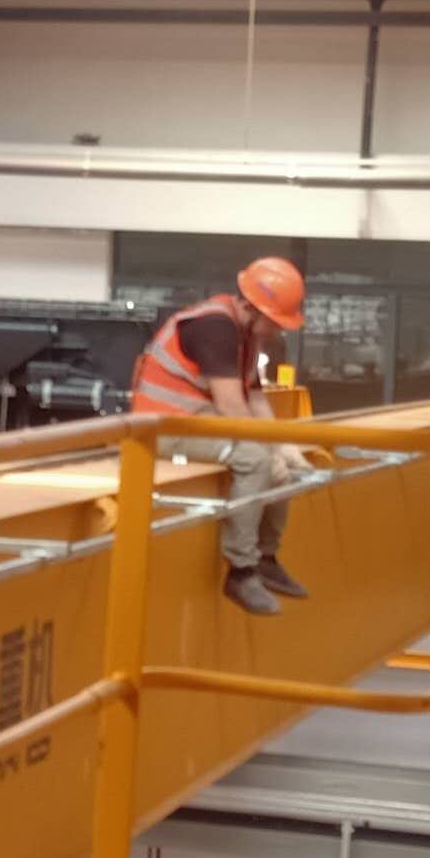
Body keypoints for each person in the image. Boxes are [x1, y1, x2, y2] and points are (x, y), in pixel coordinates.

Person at [131, 257, 311, 616]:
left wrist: (286, 447)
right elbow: (232, 406)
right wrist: (268, 453)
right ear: (253, 308)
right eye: (275, 322)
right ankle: (241, 571)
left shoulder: (246, 335)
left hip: (199, 424)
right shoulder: (215, 328)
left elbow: (255, 399)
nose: (277, 331)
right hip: (165, 430)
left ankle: (266, 559)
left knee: (283, 469)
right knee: (256, 461)